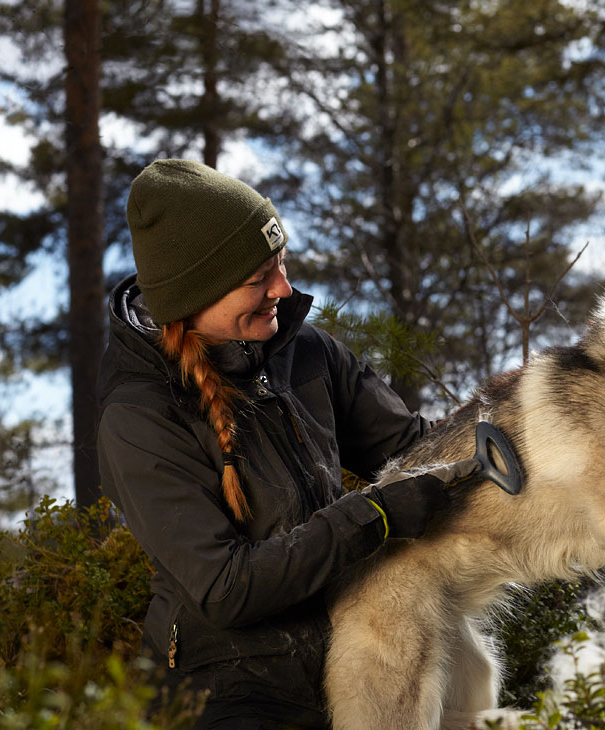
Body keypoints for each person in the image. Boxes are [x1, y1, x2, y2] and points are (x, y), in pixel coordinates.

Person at [97, 159, 477, 728]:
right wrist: (374, 515)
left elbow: (424, 449)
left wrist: (541, 425)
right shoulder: (139, 415)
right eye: (256, 279)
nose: (283, 288)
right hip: (225, 693)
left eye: (280, 262)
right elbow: (226, 589)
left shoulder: (309, 354)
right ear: (193, 295)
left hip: (348, 661)